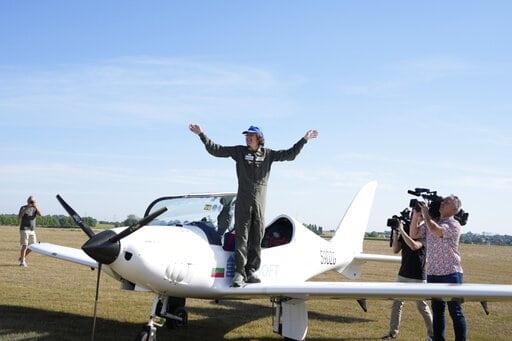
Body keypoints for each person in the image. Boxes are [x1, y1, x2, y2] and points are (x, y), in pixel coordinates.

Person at [189, 124, 318, 287]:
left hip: (260, 203)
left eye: (251, 136)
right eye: (247, 136)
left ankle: (250, 271)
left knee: (257, 237)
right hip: (243, 201)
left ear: (259, 138)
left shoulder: (268, 154)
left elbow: (290, 154)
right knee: (241, 236)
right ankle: (238, 273)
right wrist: (201, 134)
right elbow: (216, 150)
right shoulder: (239, 152)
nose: (248, 138)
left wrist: (304, 140)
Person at [410, 195, 467, 341]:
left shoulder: (454, 225)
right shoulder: (432, 222)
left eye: (446, 202)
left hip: (451, 273)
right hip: (433, 273)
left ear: (454, 209)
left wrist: (426, 214)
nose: (442, 203)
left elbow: (437, 231)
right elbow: (414, 234)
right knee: (437, 311)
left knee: (455, 311)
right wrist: (416, 216)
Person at [382, 221, 433, 340]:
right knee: (397, 304)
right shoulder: (405, 231)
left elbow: (414, 246)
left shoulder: (424, 233)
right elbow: (395, 249)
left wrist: (402, 231)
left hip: (418, 276)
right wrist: (396, 232)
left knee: (422, 306)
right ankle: (392, 333)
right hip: (403, 274)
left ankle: (432, 334)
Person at [18, 196, 42, 267]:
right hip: (24, 229)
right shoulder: (23, 207)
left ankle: (22, 258)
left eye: (33, 201)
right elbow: (19, 216)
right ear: (27, 201)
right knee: (25, 245)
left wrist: (35, 206)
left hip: (32, 230)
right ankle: (22, 262)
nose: (31, 203)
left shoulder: (35, 208)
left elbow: (40, 215)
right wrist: (27, 207)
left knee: (33, 246)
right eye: (30, 201)